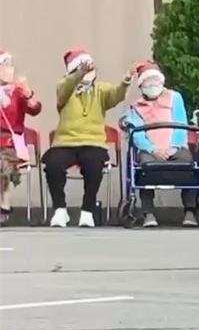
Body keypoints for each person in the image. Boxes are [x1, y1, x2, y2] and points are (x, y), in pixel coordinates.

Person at [44, 49, 137, 228]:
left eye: (90, 67)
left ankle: (87, 211)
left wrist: (125, 81)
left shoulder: (101, 88)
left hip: (93, 142)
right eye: (83, 67)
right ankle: (60, 210)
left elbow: (115, 96)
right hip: (65, 142)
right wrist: (79, 74)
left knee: (94, 163)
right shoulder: (65, 86)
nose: (89, 71)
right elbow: (65, 89)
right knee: (53, 163)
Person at [124, 62, 199, 228]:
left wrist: (174, 146)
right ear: (141, 86)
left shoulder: (174, 97)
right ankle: (148, 213)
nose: (151, 85)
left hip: (175, 146)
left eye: (154, 81)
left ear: (161, 81)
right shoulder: (136, 107)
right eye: (147, 82)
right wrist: (154, 149)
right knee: (144, 167)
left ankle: (190, 211)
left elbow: (181, 123)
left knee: (189, 163)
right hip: (151, 149)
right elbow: (136, 134)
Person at [0, 50, 42, 225]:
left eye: (9, 65)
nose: (9, 69)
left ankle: (4, 205)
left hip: (10, 143)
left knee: (2, 163)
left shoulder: (17, 92)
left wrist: (27, 91)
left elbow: (35, 109)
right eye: (4, 65)